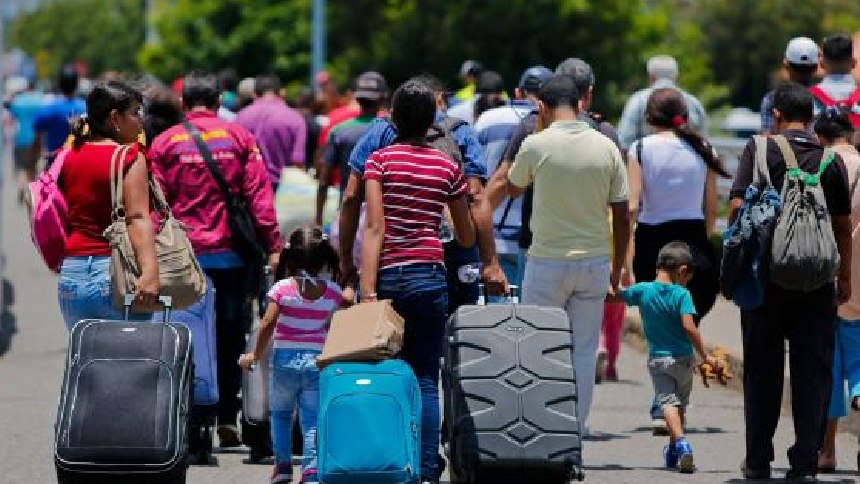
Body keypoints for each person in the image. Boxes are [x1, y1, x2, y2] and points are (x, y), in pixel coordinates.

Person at [149, 71, 283, 447]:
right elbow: (259, 197)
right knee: (230, 335)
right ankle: (226, 414)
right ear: (220, 100)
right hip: (231, 258)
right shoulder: (238, 137)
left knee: (185, 337)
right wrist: (273, 243)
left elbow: (155, 206)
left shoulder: (165, 142)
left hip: (183, 259)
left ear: (183, 102)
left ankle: (192, 419)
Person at [729, 82, 852, 481]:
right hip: (816, 280)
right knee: (812, 371)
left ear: (776, 116)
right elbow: (840, 223)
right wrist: (843, 277)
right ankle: (804, 462)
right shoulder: (828, 161)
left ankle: (758, 460)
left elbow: (735, 207)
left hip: (765, 279)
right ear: (812, 118)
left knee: (762, 369)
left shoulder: (759, 149)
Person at [359, 78, 476, 483]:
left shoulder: (380, 161)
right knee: (426, 376)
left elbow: (374, 228)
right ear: (432, 121)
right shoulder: (446, 166)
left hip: (388, 276)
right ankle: (427, 470)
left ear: (393, 118)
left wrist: (368, 290)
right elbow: (465, 235)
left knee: (386, 374)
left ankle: (391, 461)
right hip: (429, 276)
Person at [505, 74, 630, 429]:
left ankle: (542, 426)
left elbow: (513, 188)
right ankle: (574, 431)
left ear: (541, 108)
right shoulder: (606, 146)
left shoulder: (536, 143)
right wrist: (617, 269)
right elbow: (622, 215)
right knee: (584, 351)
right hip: (593, 264)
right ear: (580, 105)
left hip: (546, 262)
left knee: (537, 346)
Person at [341, 74, 508, 309]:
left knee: (388, 334)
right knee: (450, 328)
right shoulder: (460, 132)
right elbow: (476, 196)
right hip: (449, 254)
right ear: (438, 100)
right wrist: (490, 262)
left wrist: (346, 259)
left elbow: (350, 197)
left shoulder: (380, 133)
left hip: (390, 255)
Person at [627, 87, 728, 431]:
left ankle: (664, 403)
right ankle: (673, 402)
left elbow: (631, 207)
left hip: (653, 244)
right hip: (694, 244)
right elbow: (712, 208)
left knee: (659, 329)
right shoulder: (704, 149)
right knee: (687, 323)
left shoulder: (639, 149)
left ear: (648, 117)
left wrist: (626, 254)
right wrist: (702, 238)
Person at [239, 226, 343, 484]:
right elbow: (333, 326)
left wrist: (254, 354)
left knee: (281, 415)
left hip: (284, 362)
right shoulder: (332, 292)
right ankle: (310, 470)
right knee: (311, 419)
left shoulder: (282, 289)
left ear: (291, 257)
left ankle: (283, 466)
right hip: (317, 363)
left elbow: (266, 324)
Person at [57, 81, 158, 329]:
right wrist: (150, 272)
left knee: (87, 361)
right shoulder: (130, 157)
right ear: (115, 118)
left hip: (72, 275)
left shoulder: (69, 156)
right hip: (113, 273)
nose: (141, 119)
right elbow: (137, 218)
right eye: (135, 112)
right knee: (128, 363)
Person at [620, 241, 720, 473]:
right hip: (684, 360)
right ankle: (674, 449)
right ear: (682, 271)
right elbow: (689, 327)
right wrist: (705, 355)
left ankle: (681, 444)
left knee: (667, 404)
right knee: (680, 406)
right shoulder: (682, 294)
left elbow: (616, 296)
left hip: (659, 361)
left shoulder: (644, 290)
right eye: (687, 278)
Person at [813, 107, 860, 473]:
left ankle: (826, 451)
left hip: (828, 276)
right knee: (859, 369)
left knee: (829, 371)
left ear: (820, 135)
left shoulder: (818, 165)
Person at [474, 65, 552, 285]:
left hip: (491, 234)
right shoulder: (550, 124)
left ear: (518, 92)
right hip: (535, 236)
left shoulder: (487, 119)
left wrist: (476, 221)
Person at [316, 72, 388, 225]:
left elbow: (324, 180)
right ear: (382, 98)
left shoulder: (339, 130)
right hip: (382, 216)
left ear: (357, 97)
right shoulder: (391, 131)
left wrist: (318, 220)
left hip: (348, 213)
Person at [617, 55, 708, 149]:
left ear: (651, 76)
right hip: (686, 161)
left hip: (646, 161)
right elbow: (704, 142)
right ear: (676, 76)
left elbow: (625, 140)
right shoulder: (694, 103)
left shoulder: (638, 100)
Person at [235, 72, 306, 190]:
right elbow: (297, 162)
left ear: (254, 94)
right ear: (282, 92)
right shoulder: (295, 118)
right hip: (283, 189)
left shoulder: (241, 117)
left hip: (250, 188)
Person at [760, 37, 819, 135]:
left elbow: (766, 138)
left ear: (786, 64)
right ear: (816, 67)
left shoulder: (771, 99)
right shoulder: (825, 97)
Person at [33, 64, 86, 156]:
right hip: (80, 163)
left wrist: (32, 159)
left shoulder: (49, 108)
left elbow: (37, 138)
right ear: (77, 83)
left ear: (59, 83)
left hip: (55, 162)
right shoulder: (86, 108)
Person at [7, 80, 43, 200]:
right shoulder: (40, 100)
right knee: (33, 166)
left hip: (21, 138)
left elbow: (11, 116)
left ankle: (22, 187)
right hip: (36, 139)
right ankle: (31, 192)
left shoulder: (18, 101)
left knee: (22, 167)